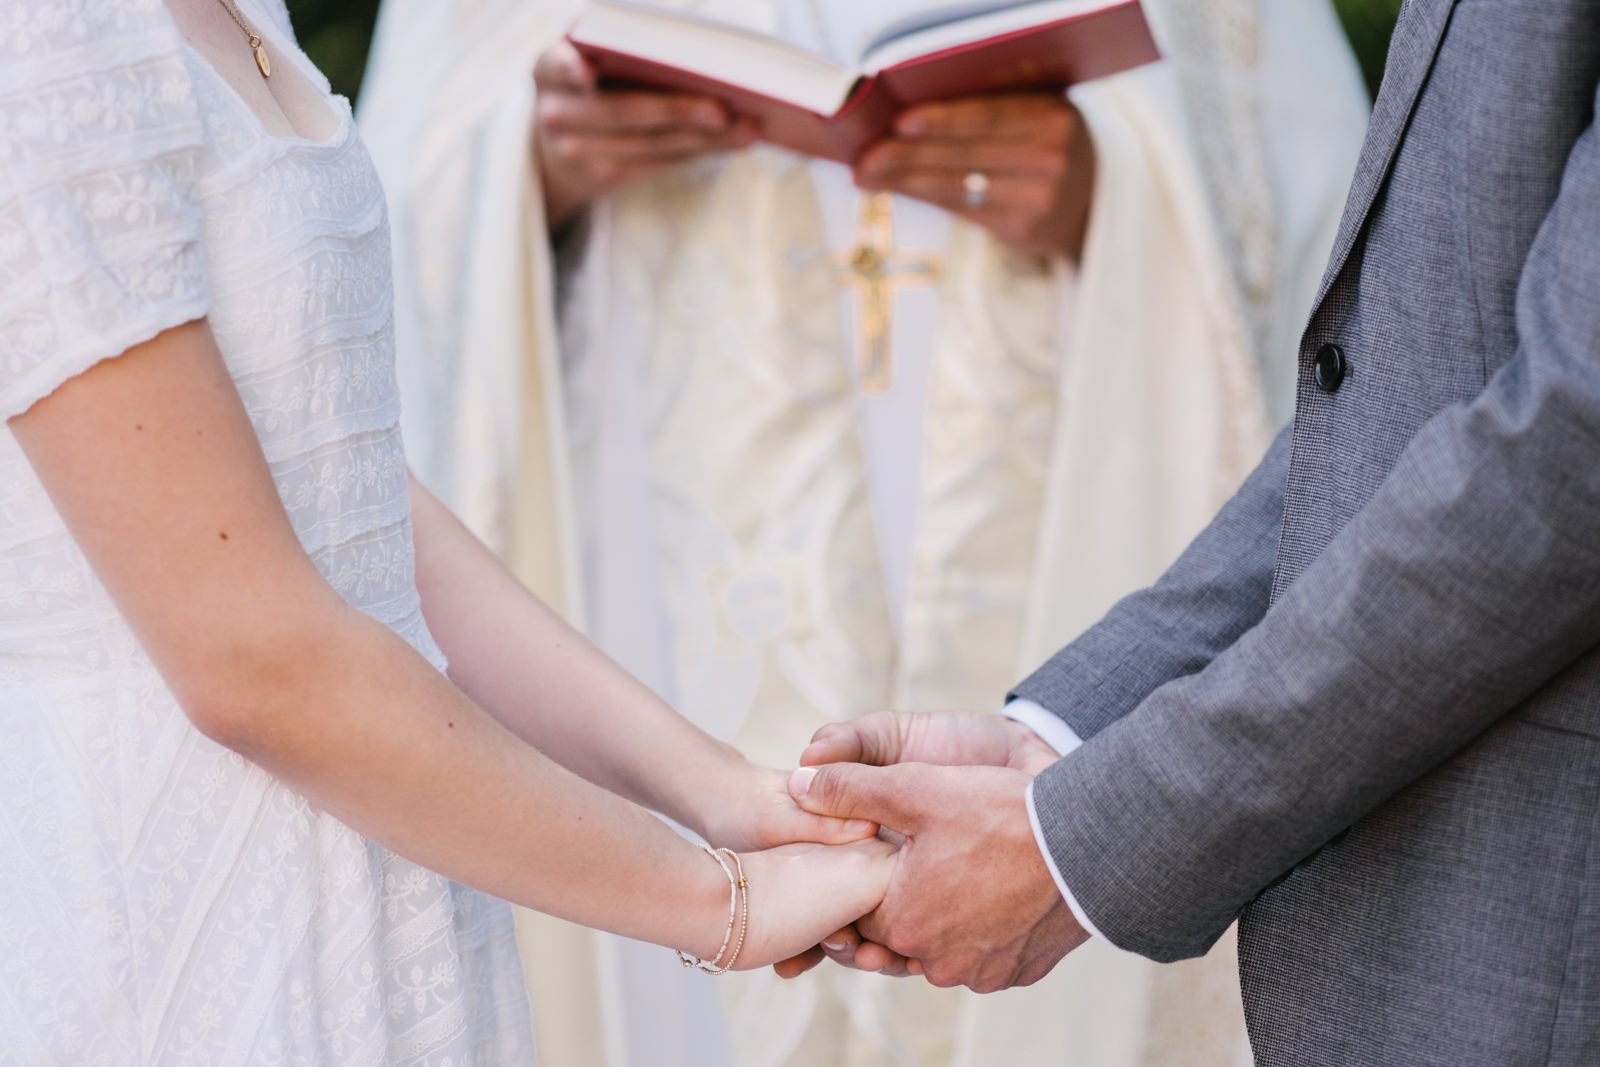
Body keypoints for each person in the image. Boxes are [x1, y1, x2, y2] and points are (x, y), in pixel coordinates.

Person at [359, 0, 1368, 1063]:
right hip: (660, 472)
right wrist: (537, 163)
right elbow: (384, 180)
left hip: (1062, 451)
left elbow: (1315, 189)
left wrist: (1102, 194)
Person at [0, 1, 898, 1062]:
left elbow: (351, 498)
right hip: (184, 892)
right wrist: (721, 900)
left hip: (390, 857)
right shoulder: (47, 31)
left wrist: (721, 791)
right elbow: (248, 660)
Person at [785, 0, 1600, 1063]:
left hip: (1536, 931)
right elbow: (1401, 389)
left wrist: (1082, 836)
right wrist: (1066, 737)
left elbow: (1566, 444)